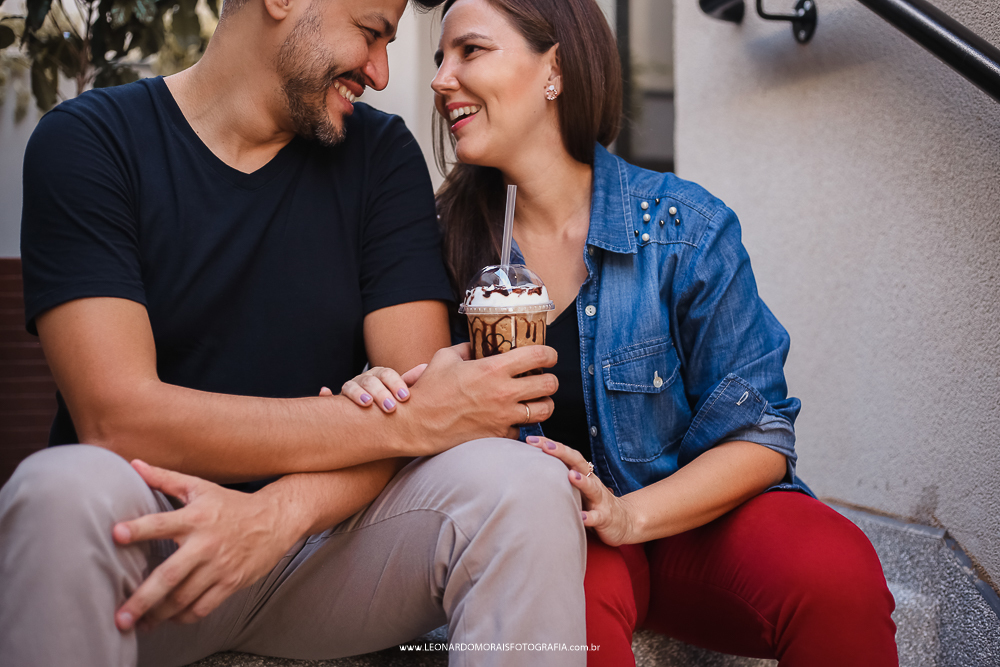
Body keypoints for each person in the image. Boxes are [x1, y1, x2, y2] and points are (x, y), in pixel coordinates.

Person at [0, 0, 592, 665]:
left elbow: (431, 419)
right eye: (371, 34)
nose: (380, 69)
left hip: (327, 555)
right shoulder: (90, 142)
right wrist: (392, 421)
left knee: (525, 487)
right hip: (154, 552)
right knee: (57, 489)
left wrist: (275, 515)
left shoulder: (380, 154)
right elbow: (117, 417)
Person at [349, 0, 900, 664]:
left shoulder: (682, 226)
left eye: (471, 51)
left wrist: (628, 514)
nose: (441, 79)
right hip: (557, 536)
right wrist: (376, 385)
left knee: (836, 570)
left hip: (695, 524)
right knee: (561, 598)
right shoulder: (435, 245)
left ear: (554, 68)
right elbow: (420, 414)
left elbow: (760, 438)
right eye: (439, 59)